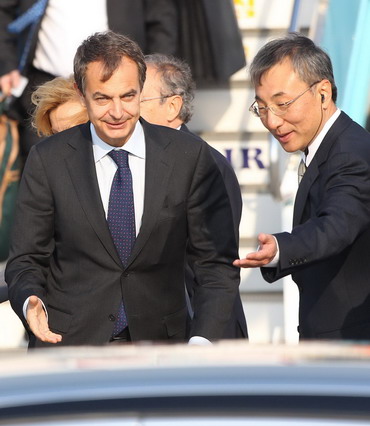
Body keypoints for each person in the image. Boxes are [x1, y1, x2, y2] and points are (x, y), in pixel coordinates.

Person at [5, 31, 240, 347]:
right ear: (81, 92)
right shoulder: (48, 159)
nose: (117, 112)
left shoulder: (188, 156)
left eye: (128, 96)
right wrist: (29, 299)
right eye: (102, 98)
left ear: (141, 89)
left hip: (163, 351)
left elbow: (215, 265)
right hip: (67, 347)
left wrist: (201, 342)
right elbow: (27, 259)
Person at [234, 32, 370, 341]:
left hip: (352, 346)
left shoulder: (350, 153)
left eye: (282, 104)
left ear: (323, 93)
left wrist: (282, 248)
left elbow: (337, 225)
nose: (272, 121)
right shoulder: (328, 147)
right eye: (262, 108)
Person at [141, 53, 247, 338]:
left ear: (172, 105)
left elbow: (213, 263)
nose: (124, 111)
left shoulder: (207, 165)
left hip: (203, 330)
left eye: (135, 99)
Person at [0, 0, 178, 164]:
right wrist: (7, 65)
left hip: (116, 87)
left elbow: (161, 16)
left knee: (118, 163)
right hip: (45, 84)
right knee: (45, 163)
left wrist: (154, 74)